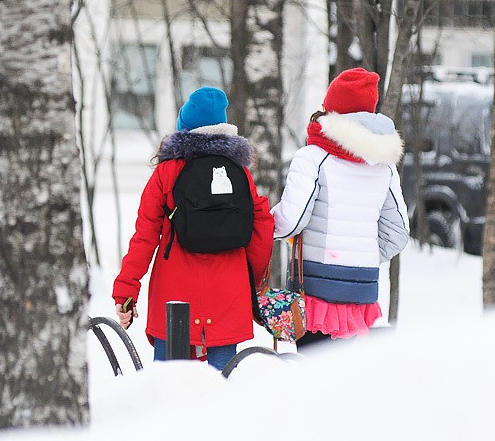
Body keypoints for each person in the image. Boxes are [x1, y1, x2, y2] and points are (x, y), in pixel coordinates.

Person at [113, 86, 274, 371]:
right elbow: (261, 226)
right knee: (222, 388)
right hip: (227, 294)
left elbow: (145, 235)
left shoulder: (167, 172)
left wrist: (127, 292)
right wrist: (254, 280)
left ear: (183, 128)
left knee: (168, 387)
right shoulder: (239, 173)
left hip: (174, 296)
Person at [271, 67, 410, 350]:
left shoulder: (313, 158)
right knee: (347, 383)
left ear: (333, 109)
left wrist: (262, 222)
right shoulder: (383, 166)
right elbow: (398, 233)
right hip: (363, 291)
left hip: (316, 292)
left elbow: (292, 221)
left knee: (314, 375)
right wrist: (362, 256)